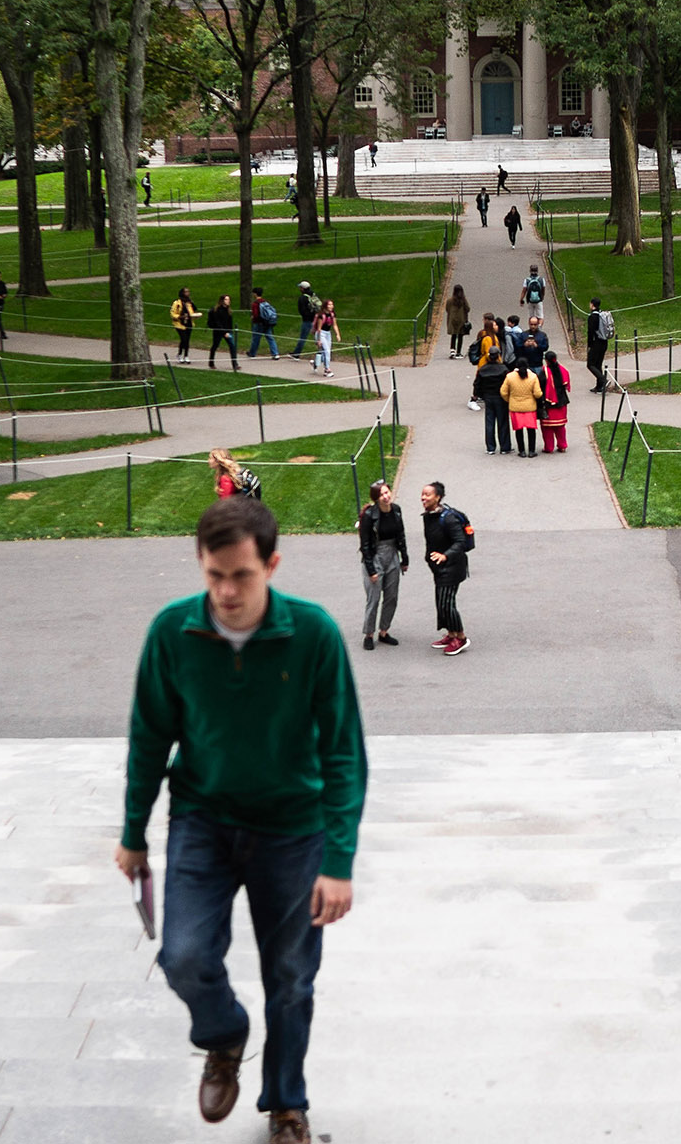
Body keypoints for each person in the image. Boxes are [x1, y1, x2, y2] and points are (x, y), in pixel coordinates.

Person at [115, 499, 365, 1144]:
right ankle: (224, 1035)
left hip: (293, 829)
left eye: (242, 576)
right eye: (213, 576)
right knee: (183, 957)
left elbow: (344, 751)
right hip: (205, 818)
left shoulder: (312, 634)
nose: (226, 592)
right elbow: (150, 736)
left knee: (291, 977)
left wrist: (338, 863)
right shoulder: (173, 632)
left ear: (271, 565)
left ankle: (286, 1106)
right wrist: (133, 833)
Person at [420, 481, 473, 656]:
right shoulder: (429, 515)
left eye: (427, 495)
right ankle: (451, 634)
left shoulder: (448, 518)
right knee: (441, 603)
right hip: (439, 568)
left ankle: (461, 637)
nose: (423, 498)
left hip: (452, 568)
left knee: (447, 604)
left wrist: (445, 556)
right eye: (422, 494)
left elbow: (460, 542)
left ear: (438, 497)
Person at [357, 480, 406, 651]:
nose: (386, 497)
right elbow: (364, 545)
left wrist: (404, 559)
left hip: (392, 554)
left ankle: (384, 631)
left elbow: (401, 534)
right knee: (374, 598)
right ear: (376, 499)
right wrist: (371, 570)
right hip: (375, 556)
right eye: (381, 495)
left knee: (391, 596)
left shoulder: (397, 510)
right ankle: (369, 634)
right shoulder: (369, 516)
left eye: (387, 493)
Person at [501, 362, 544, 457]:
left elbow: (503, 392)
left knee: (518, 430)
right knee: (531, 430)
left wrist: (509, 400)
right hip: (530, 407)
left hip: (515, 407)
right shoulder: (533, 377)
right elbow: (537, 393)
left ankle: (522, 451)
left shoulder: (510, 377)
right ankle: (532, 451)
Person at [476, 349, 512, 453]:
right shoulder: (503, 369)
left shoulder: (483, 369)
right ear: (498, 356)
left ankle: (490, 447)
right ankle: (505, 447)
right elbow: (508, 384)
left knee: (489, 422)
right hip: (500, 398)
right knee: (503, 422)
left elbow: (477, 384)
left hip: (488, 397)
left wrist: (479, 395)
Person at [539, 350, 573, 453]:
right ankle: (562, 445)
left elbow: (540, 384)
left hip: (548, 403)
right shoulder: (563, 370)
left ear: (547, 361)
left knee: (547, 428)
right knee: (560, 427)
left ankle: (549, 447)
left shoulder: (544, 372)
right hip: (561, 402)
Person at [585, 298, 616, 390]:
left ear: (592, 305)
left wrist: (589, 345)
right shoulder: (602, 315)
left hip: (596, 342)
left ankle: (603, 380)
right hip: (604, 342)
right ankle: (599, 386)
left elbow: (590, 332)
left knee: (590, 364)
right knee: (598, 364)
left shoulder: (592, 317)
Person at [206, 294, 238, 368]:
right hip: (218, 331)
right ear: (222, 301)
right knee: (215, 346)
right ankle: (211, 362)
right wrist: (224, 332)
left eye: (229, 299)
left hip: (227, 331)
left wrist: (230, 331)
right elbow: (217, 323)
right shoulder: (217, 310)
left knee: (232, 346)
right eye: (226, 299)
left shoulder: (228, 310)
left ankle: (234, 364)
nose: (228, 301)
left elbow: (230, 322)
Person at [248, 288, 281, 358]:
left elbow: (256, 315)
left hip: (259, 323)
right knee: (270, 338)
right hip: (267, 322)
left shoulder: (255, 304)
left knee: (256, 339)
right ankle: (275, 353)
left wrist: (253, 317)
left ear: (255, 294)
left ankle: (252, 353)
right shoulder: (265, 302)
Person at [443, 284, 471, 363]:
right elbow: (468, 309)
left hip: (452, 320)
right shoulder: (463, 301)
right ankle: (458, 352)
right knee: (460, 336)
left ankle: (452, 350)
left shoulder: (450, 301)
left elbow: (447, 309)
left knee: (454, 335)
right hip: (461, 320)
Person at [171, 287, 199, 362]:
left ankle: (186, 355)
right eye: (186, 292)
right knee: (184, 339)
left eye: (188, 292)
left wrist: (195, 316)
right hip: (179, 324)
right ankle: (180, 354)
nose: (187, 293)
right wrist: (180, 317)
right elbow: (173, 314)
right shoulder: (177, 303)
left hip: (189, 323)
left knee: (187, 340)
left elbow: (192, 312)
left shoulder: (190, 303)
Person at [293, 282, 318, 357]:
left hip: (307, 320)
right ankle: (324, 353)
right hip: (316, 319)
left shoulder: (303, 298)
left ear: (302, 288)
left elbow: (302, 311)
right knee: (318, 337)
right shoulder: (314, 295)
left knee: (303, 337)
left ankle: (297, 353)